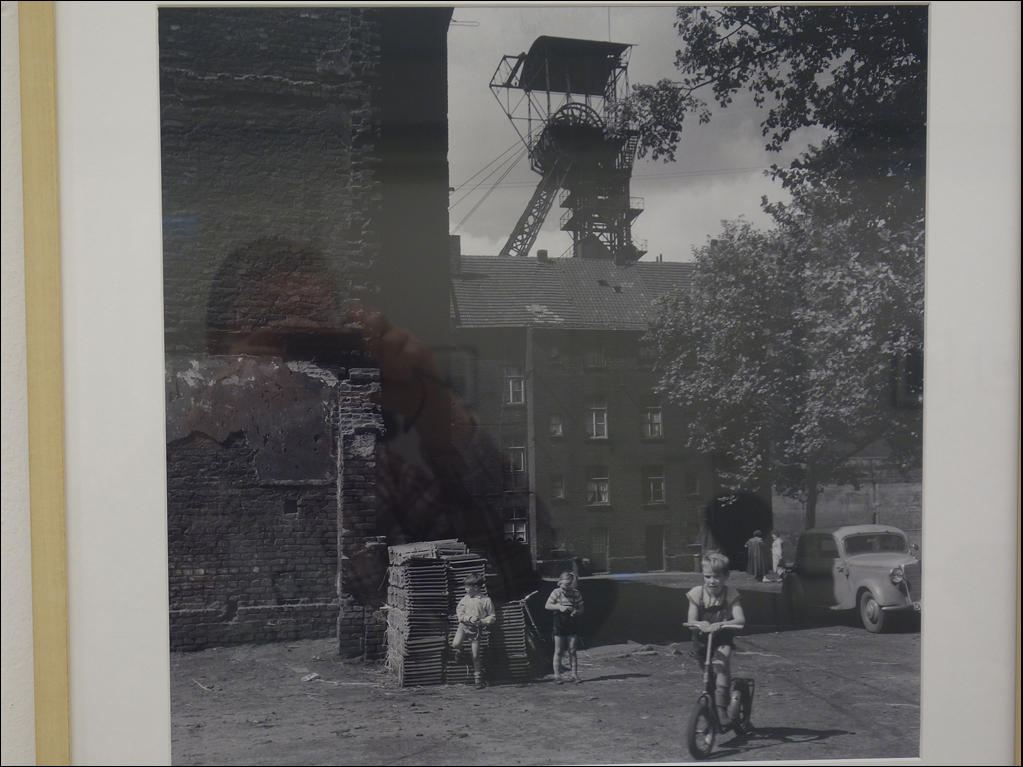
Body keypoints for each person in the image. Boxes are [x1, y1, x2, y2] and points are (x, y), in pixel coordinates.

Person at [687, 552, 746, 725]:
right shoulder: (697, 593)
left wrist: (722, 624)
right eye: (707, 576)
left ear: (726, 576)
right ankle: (711, 700)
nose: (712, 581)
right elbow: (691, 621)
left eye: (717, 577)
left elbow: (740, 619)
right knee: (706, 673)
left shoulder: (730, 594)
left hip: (722, 636)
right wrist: (700, 623)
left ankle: (721, 709)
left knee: (721, 665)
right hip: (702, 638)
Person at [451, 573, 497, 690]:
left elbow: (492, 616)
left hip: (476, 630)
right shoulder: (465, 600)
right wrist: (469, 618)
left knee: (475, 655)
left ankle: (478, 679)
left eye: (467, 587)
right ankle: (460, 651)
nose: (465, 589)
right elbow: (460, 614)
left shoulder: (486, 600)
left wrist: (482, 622)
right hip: (463, 626)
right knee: (455, 644)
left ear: (476, 587)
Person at [545, 571, 584, 684]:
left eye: (570, 586)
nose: (567, 588)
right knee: (558, 650)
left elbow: (582, 609)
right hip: (559, 624)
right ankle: (557, 676)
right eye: (565, 585)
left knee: (572, 649)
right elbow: (547, 605)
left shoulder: (576, 594)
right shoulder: (556, 593)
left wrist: (577, 612)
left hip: (572, 623)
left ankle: (574, 674)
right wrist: (559, 607)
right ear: (560, 583)